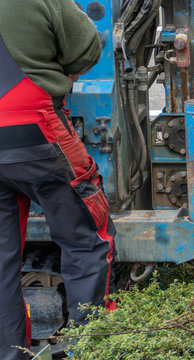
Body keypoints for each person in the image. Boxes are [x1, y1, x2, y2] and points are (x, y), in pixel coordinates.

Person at [0, 1, 116, 359]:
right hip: (34, 129)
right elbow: (85, 47)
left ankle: (11, 353)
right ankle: (88, 349)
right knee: (86, 237)